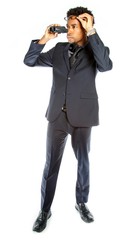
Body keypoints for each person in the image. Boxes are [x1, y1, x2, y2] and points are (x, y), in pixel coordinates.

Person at [24, 6, 112, 232]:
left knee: (83, 162)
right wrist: (44, 39)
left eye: (74, 27)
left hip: (83, 116)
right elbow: (30, 61)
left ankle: (81, 203)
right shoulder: (59, 50)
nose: (69, 31)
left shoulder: (96, 50)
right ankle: (45, 209)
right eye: (68, 25)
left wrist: (92, 31)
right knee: (50, 164)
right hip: (57, 116)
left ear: (85, 28)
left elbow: (106, 66)